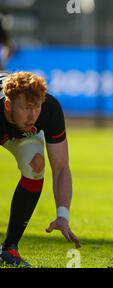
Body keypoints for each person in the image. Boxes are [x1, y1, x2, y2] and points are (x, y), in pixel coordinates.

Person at [0, 71, 80, 267]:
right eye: (26, 108)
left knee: (36, 166)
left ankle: (10, 248)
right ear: (9, 105)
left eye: (36, 107)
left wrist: (63, 215)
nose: (32, 115)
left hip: (18, 134)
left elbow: (61, 168)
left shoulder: (49, 108)